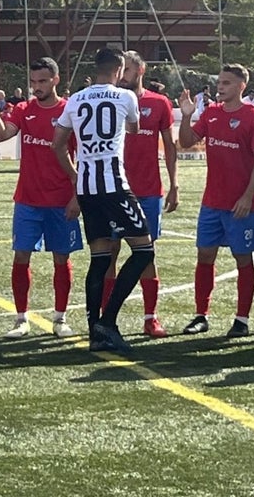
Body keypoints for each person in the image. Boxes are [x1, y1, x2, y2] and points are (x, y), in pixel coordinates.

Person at [52, 48, 153, 354]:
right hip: (113, 186)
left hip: (86, 188)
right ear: (120, 69)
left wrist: (75, 176)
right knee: (144, 250)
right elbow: (134, 128)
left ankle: (95, 330)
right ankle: (108, 321)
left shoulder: (76, 99)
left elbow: (58, 145)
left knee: (99, 258)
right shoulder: (125, 97)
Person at [177, 64, 254, 338]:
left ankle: (241, 319)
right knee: (205, 255)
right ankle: (201, 315)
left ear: (242, 86)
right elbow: (185, 142)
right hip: (212, 202)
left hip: (240, 204)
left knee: (243, 258)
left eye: (227, 82)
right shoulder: (212, 113)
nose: (220, 86)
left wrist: (247, 196)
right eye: (219, 81)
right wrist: (186, 117)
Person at [0, 57, 81, 339]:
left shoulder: (70, 111)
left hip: (61, 200)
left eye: (42, 81)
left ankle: (60, 318)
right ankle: (21, 319)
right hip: (28, 199)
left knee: (61, 258)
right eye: (33, 82)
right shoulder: (23, 109)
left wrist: (76, 196)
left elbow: (84, 156)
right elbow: (3, 134)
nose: (36, 87)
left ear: (56, 80)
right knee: (21, 257)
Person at [107, 49, 178, 337]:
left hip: (148, 191)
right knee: (108, 253)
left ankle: (150, 317)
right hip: (113, 190)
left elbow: (170, 146)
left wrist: (174, 184)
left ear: (140, 70)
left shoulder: (159, 103)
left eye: (127, 69)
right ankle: (106, 316)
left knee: (146, 254)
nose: (122, 74)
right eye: (119, 68)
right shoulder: (108, 101)